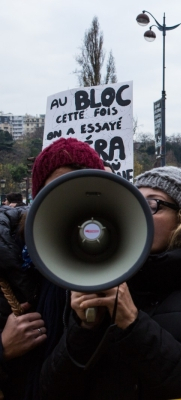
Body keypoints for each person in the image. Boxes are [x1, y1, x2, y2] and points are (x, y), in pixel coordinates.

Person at [40, 167, 181, 399]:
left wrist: (132, 323)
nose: (138, 212)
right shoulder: (103, 278)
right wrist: (84, 329)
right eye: (133, 202)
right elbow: (52, 388)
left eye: (151, 205)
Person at [0, 138, 107, 399]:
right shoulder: (7, 258)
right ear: (38, 197)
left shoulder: (109, 261)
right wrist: (2, 348)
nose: (70, 201)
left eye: (83, 189)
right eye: (58, 189)